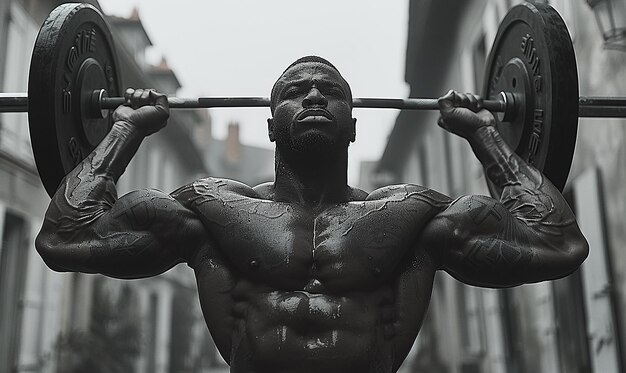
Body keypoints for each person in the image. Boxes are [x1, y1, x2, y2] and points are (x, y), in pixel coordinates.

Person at [35, 56, 588, 373]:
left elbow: (557, 245)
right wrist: (125, 128)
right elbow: (64, 237)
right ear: (272, 121)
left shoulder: (410, 217)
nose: (316, 96)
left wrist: (486, 134)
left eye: (332, 91)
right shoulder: (210, 211)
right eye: (297, 91)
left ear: (352, 124)